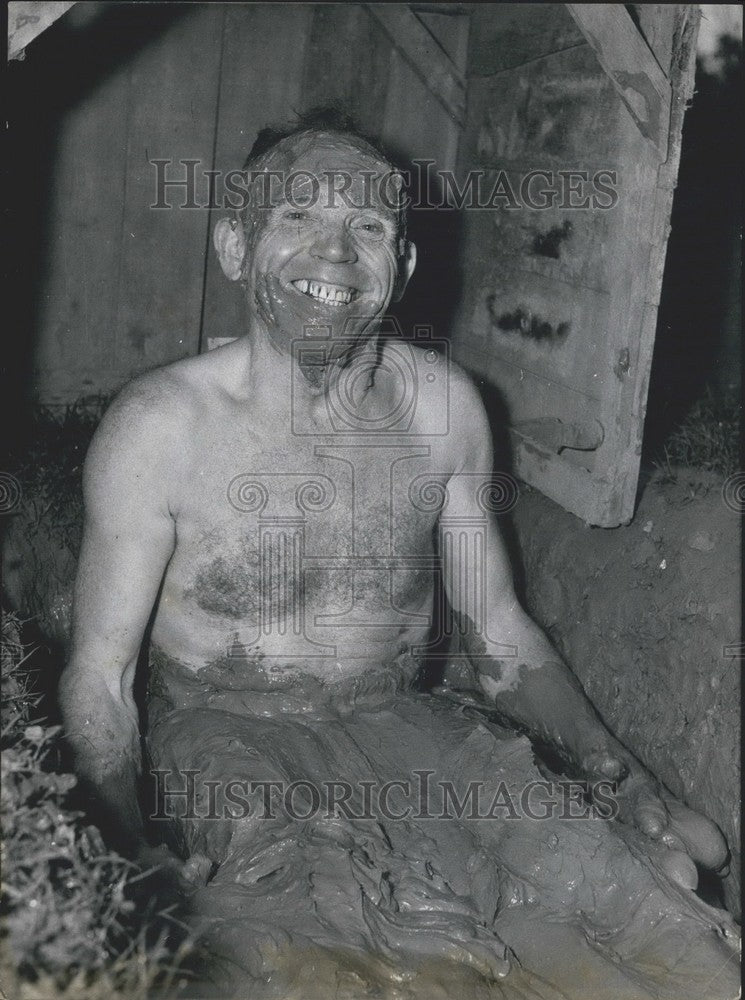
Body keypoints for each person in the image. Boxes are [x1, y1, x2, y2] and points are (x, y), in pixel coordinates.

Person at [58, 110, 736, 998]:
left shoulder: (442, 409)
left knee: (670, 911)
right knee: (335, 964)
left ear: (401, 266)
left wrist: (628, 782)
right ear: (234, 245)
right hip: (229, 738)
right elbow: (101, 680)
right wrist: (128, 864)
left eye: (368, 227)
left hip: (407, 722)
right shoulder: (159, 429)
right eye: (296, 218)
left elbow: (497, 634)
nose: (334, 253)